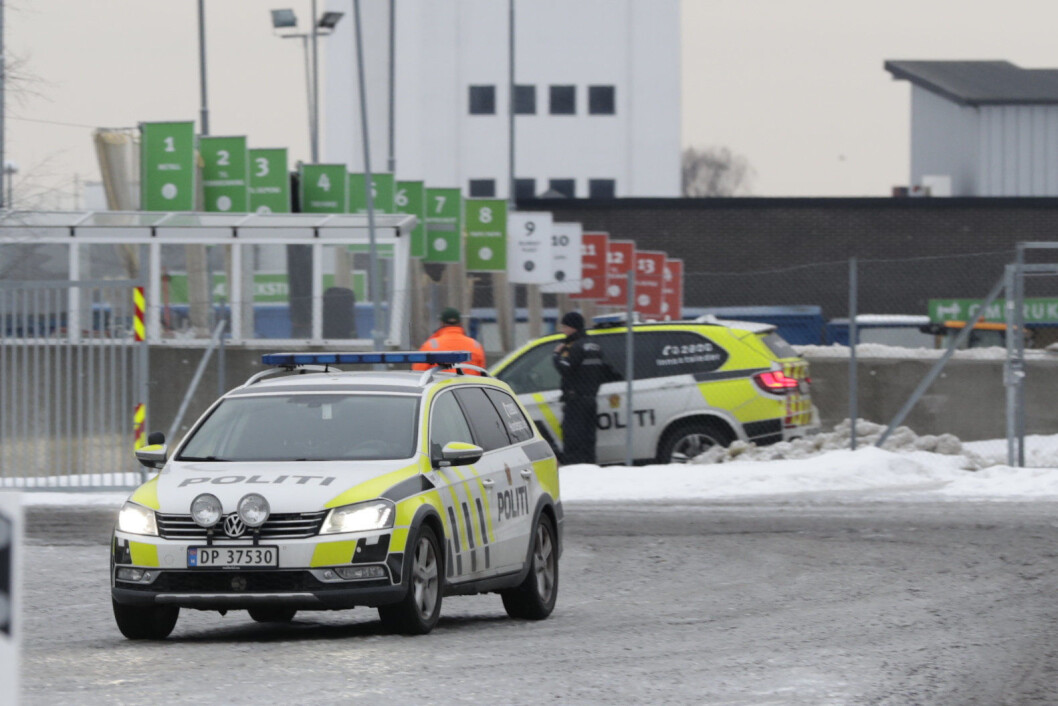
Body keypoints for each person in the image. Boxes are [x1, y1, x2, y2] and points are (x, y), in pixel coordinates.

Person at [552, 311, 613, 464]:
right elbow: (606, 371)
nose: (562, 330)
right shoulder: (594, 346)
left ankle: (575, 469)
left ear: (573, 327)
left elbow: (566, 368)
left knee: (573, 441)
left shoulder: (576, 347)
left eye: (564, 326)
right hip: (591, 399)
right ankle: (589, 467)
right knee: (588, 440)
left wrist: (556, 356)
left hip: (576, 401)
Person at [412, 307, 486, 374]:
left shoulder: (430, 345)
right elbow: (482, 372)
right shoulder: (475, 345)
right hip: (468, 387)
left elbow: (418, 372)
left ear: (441, 323)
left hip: (439, 387)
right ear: (460, 323)